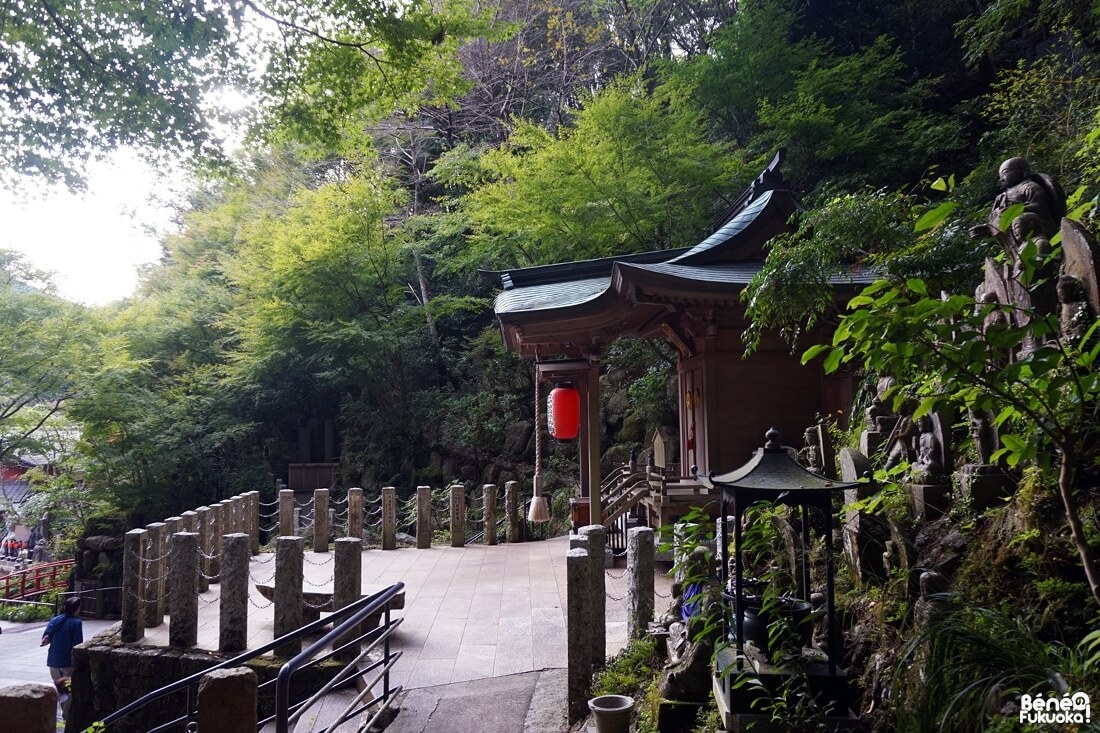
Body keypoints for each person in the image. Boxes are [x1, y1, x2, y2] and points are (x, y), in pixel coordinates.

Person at [41, 596, 83, 720]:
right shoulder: (76, 623)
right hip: (67, 663)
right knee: (68, 692)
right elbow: (77, 644)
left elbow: (46, 636)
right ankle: (66, 718)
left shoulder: (55, 620)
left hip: (53, 661)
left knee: (60, 690)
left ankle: (60, 716)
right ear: (77, 609)